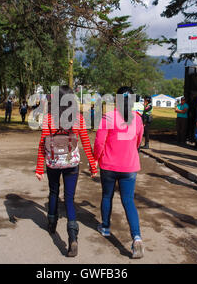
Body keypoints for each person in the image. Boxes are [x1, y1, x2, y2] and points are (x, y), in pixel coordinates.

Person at [35, 85, 97, 258]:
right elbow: (85, 142)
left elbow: (42, 145)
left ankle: (52, 223)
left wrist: (40, 168)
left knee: (53, 192)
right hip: (72, 163)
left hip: (53, 163)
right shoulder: (77, 118)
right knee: (69, 199)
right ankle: (72, 237)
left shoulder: (49, 118)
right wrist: (92, 165)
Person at [94, 86, 145, 259]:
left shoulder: (108, 117)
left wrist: (95, 158)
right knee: (128, 201)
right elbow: (138, 141)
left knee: (107, 196)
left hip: (108, 164)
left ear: (116, 100)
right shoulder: (137, 119)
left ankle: (106, 227)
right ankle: (136, 237)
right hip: (129, 166)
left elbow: (100, 142)